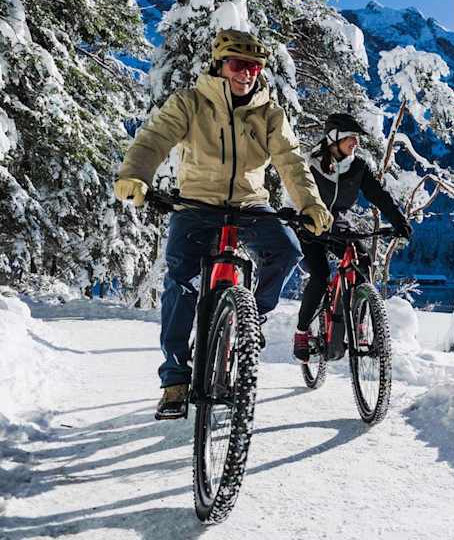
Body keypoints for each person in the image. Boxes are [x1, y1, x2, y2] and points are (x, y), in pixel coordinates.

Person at [112, 29, 333, 420]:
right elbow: (153, 139)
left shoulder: (270, 114)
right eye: (237, 64)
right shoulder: (190, 103)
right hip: (197, 203)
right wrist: (136, 175)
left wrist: (310, 204)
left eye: (253, 66)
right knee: (180, 282)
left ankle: (249, 319)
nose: (245, 73)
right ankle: (175, 380)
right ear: (220, 65)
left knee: (286, 250)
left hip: (251, 204)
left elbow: (291, 162)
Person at [292, 113, 413, 362]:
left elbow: (378, 195)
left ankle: (358, 322)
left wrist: (398, 219)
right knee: (320, 275)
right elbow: (294, 190)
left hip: (338, 226)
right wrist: (294, 214)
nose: (355, 143)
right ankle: (302, 331)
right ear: (333, 138)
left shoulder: (357, 167)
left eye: (356, 138)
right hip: (309, 226)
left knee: (363, 261)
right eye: (350, 137)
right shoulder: (311, 164)